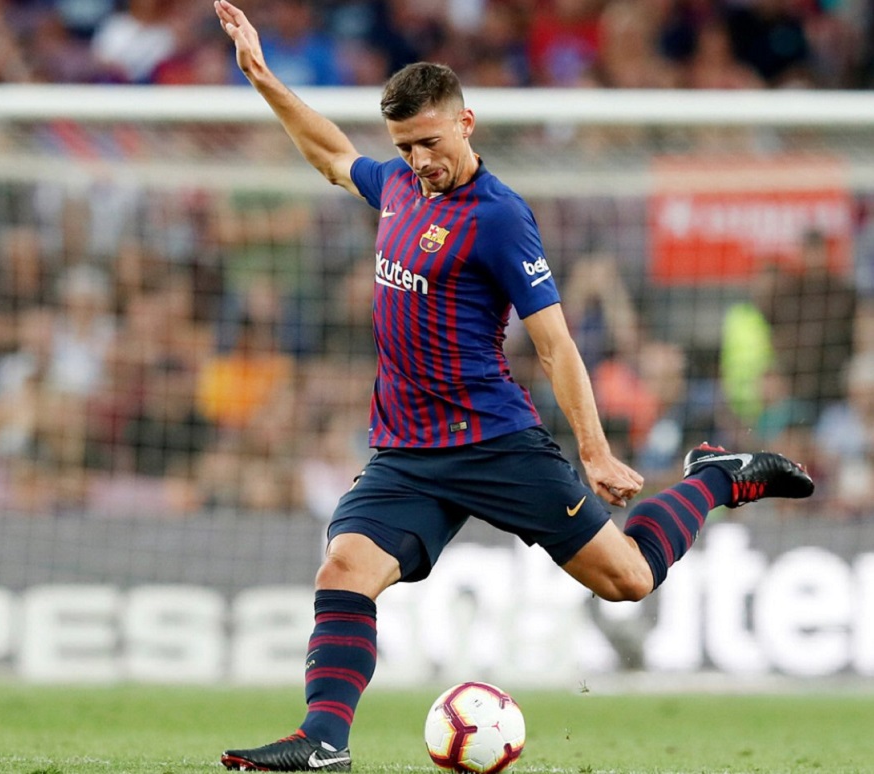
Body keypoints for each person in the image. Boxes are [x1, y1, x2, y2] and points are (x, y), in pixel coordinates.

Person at [213, 2, 815, 770]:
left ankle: (717, 478)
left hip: (494, 440)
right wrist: (262, 78)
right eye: (406, 146)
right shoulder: (397, 186)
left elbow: (556, 344)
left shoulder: (499, 218)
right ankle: (324, 740)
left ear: (466, 123)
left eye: (431, 141)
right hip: (406, 449)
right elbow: (331, 153)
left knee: (628, 579)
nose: (420, 159)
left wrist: (594, 452)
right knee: (345, 570)